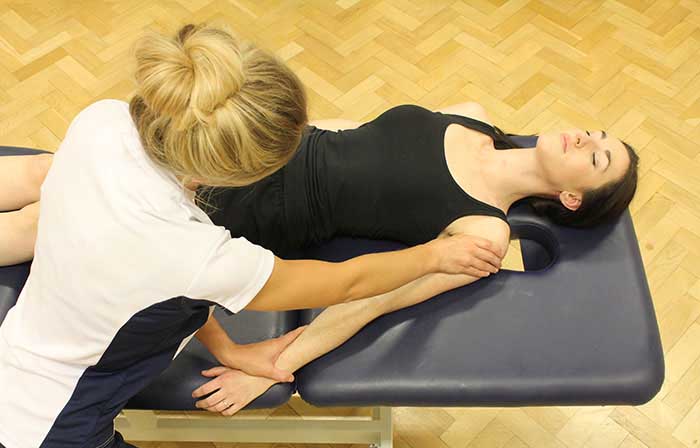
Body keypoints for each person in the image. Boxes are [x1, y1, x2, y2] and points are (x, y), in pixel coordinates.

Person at [0, 24, 500, 448]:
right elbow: (349, 282)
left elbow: (167, 289)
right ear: (231, 173)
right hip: (51, 441)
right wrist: (436, 255)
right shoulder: (198, 253)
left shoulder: (99, 122)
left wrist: (230, 348)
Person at [188, 101, 640, 415]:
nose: (582, 138)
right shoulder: (472, 117)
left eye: (596, 157)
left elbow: (372, 301)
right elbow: (359, 132)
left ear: (571, 199)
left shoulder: (484, 234)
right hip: (261, 144)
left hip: (251, 211)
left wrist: (274, 369)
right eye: (594, 134)